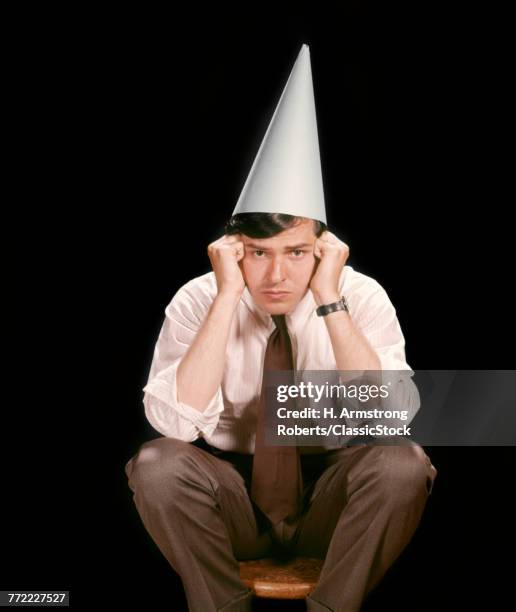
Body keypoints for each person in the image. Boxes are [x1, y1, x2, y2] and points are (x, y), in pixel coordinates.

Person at [125, 45, 437, 611]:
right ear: (230, 250)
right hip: (230, 496)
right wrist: (225, 298)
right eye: (256, 253)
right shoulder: (198, 299)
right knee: (157, 467)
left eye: (296, 252)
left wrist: (328, 299)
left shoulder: (359, 294)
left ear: (322, 249)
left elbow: (392, 417)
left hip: (331, 496)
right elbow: (171, 423)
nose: (274, 275)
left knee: (402, 463)